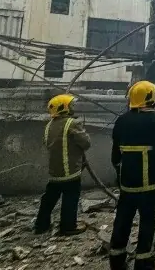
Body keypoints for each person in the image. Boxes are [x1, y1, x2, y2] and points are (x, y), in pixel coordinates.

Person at [109, 81, 155, 270]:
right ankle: (143, 263)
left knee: (122, 222)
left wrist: (120, 172)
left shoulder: (121, 121)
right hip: (150, 186)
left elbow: (115, 156)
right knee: (148, 225)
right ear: (149, 97)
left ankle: (116, 261)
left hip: (127, 186)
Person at [35, 94, 91, 235]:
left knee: (50, 197)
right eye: (71, 105)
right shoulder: (72, 123)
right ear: (63, 108)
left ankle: (41, 225)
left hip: (55, 170)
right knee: (70, 198)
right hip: (70, 170)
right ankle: (68, 227)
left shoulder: (49, 125)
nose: (73, 107)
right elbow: (86, 143)